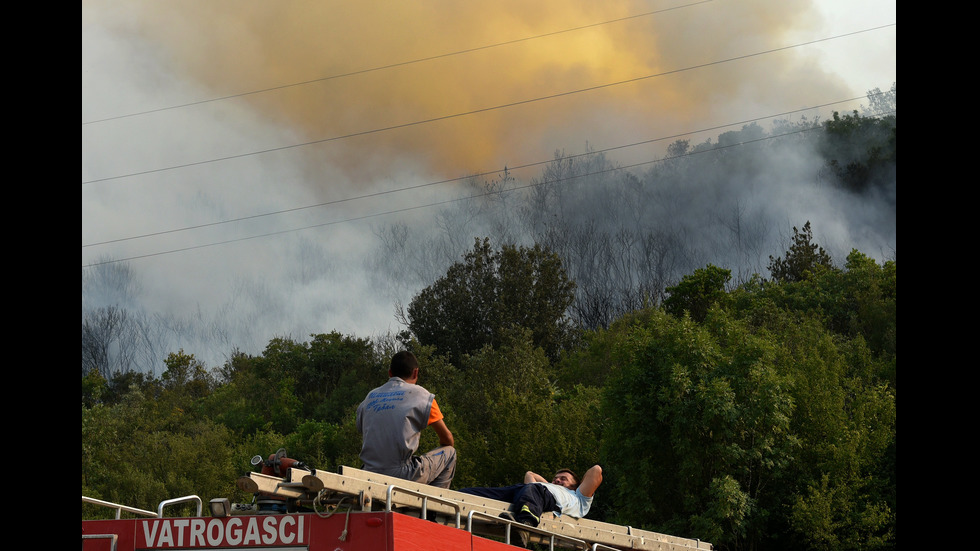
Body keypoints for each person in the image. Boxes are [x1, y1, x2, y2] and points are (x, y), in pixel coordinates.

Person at [356, 350, 456, 488]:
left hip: (368, 473)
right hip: (403, 474)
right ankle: (436, 505)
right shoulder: (422, 395)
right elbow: (448, 439)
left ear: (390, 373)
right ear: (415, 373)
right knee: (450, 452)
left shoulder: (369, 397)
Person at [459, 465, 603, 527]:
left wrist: (577, 488)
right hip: (524, 492)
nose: (557, 480)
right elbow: (530, 474)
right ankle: (453, 497)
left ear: (575, 486)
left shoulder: (579, 498)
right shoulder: (539, 489)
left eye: (563, 479)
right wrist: (550, 484)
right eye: (555, 478)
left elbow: (596, 470)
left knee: (534, 490)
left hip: (546, 499)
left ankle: (527, 523)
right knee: (481, 493)